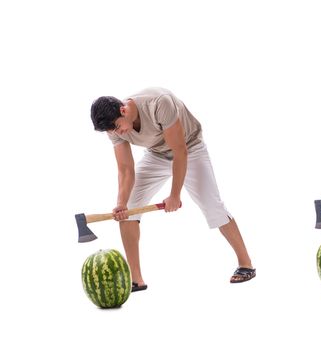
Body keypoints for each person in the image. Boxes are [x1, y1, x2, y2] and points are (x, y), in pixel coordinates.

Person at [89, 87, 256, 292]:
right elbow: (125, 170)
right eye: (111, 131)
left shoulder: (159, 103)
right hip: (156, 154)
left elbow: (180, 151)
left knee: (212, 206)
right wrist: (121, 204)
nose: (117, 133)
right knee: (130, 208)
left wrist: (175, 195)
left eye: (117, 127)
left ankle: (246, 264)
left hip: (190, 148)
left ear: (123, 110)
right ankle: (136, 280)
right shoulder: (114, 129)